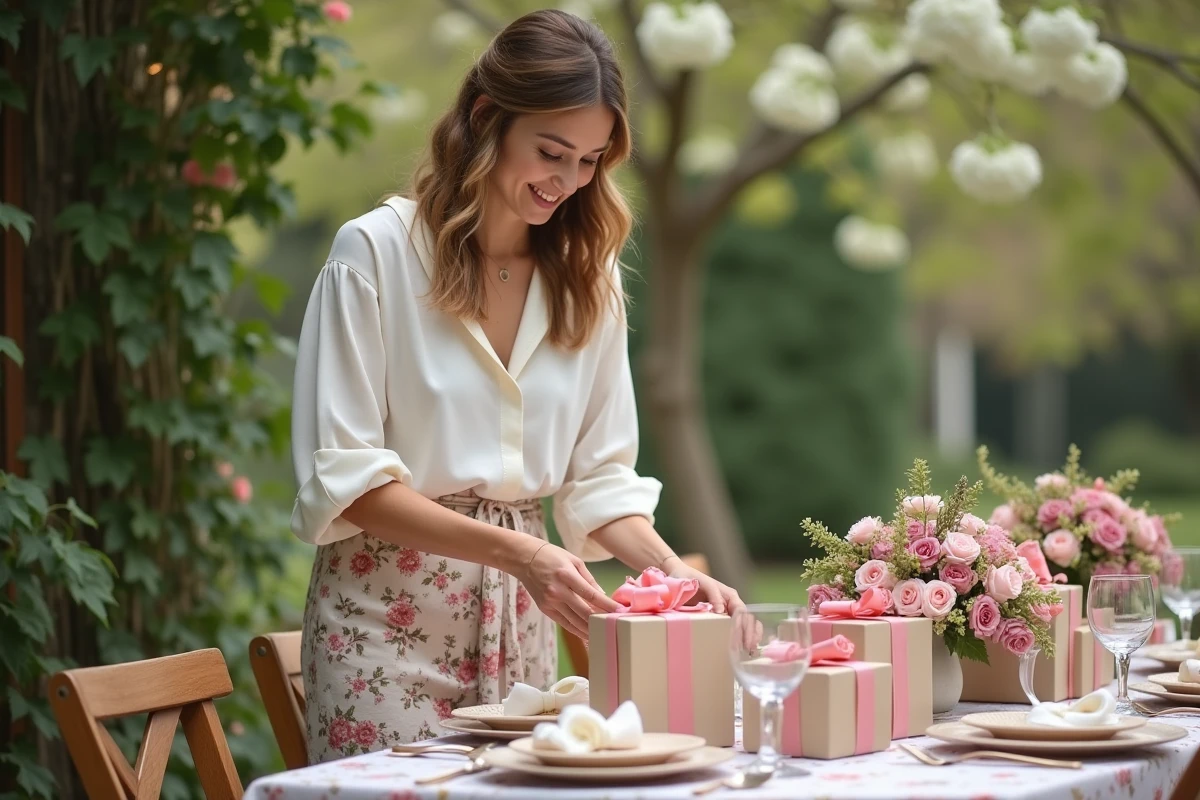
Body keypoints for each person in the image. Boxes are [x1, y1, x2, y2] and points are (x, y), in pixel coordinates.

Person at [290, 9, 743, 762]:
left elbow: (598, 481)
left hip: (524, 623)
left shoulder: (589, 281)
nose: (567, 182)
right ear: (485, 117)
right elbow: (348, 480)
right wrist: (519, 555)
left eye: (591, 160)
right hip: (382, 619)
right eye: (551, 152)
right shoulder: (372, 255)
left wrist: (673, 573)